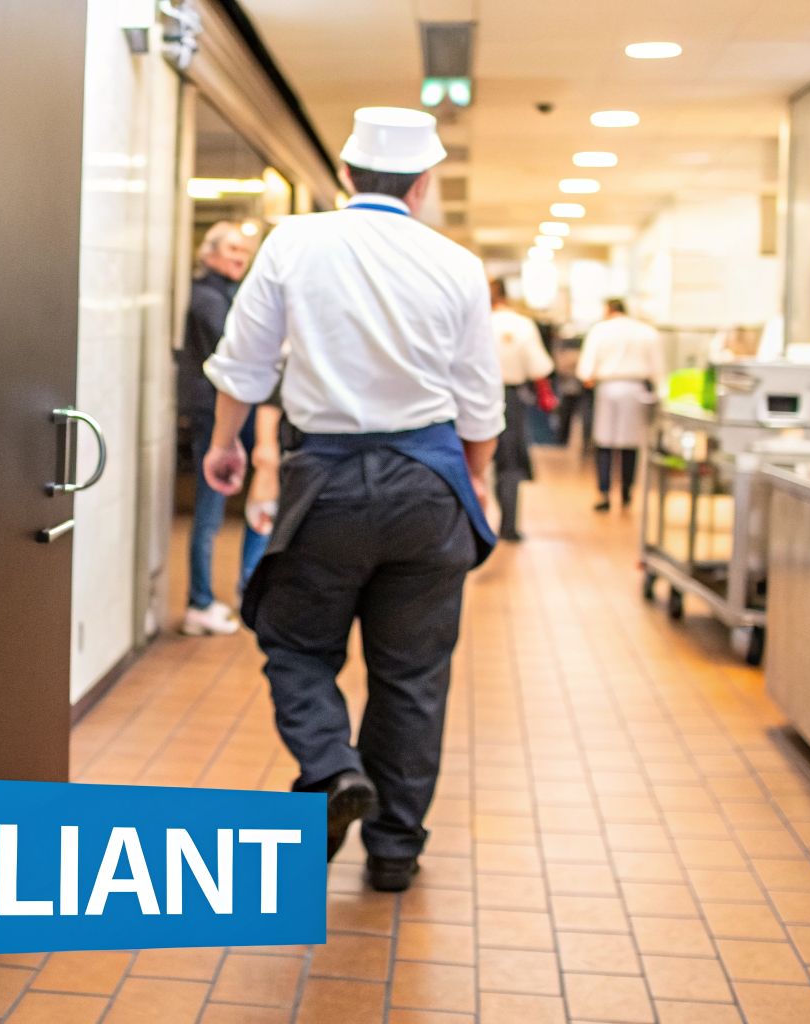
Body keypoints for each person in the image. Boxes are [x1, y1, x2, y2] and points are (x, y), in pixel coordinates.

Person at [200, 107, 502, 893]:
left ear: (344, 173)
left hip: (325, 483)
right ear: (423, 183)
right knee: (412, 676)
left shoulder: (293, 242)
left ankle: (333, 769)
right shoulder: (458, 264)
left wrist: (227, 444)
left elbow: (244, 365)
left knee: (295, 644)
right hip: (428, 486)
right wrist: (478, 482)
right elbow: (479, 401)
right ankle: (395, 850)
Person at [176, 221, 266, 636]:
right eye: (231, 248)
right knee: (210, 512)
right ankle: (200, 602)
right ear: (207, 253)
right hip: (214, 418)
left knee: (256, 502)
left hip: (233, 416)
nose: (239, 256)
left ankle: (248, 588)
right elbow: (237, 354)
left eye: (244, 250)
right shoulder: (207, 300)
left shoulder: (232, 296)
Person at [577, 298, 663, 511]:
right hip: (635, 388)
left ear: (609, 310)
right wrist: (660, 391)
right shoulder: (645, 331)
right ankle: (626, 491)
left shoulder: (600, 330)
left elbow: (586, 369)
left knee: (604, 440)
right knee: (630, 442)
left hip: (607, 387)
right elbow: (658, 368)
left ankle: (604, 492)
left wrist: (587, 377)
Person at [489, 279, 553, 541]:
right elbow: (538, 367)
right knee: (510, 463)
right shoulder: (521, 325)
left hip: (473, 395)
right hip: (509, 397)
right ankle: (508, 526)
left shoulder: (474, 320)